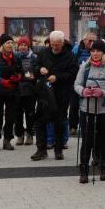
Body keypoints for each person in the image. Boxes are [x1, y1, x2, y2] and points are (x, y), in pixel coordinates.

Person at [73, 39, 105, 183]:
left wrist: (103, 93)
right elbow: (76, 84)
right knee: (87, 140)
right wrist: (83, 91)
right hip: (87, 109)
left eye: (98, 51)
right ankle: (84, 171)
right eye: (93, 51)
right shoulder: (85, 67)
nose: (95, 53)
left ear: (103, 53)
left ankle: (104, 168)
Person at [32, 31, 78, 161]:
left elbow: (73, 73)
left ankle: (58, 150)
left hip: (62, 93)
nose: (54, 47)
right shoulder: (43, 52)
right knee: (40, 121)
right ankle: (41, 149)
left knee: (59, 122)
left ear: (63, 43)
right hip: (44, 93)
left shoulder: (70, 56)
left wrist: (57, 77)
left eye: (57, 45)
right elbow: (34, 66)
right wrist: (39, 69)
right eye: (52, 44)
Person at [0, 34, 21, 151]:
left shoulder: (17, 57)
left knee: (10, 117)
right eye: (7, 43)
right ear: (2, 45)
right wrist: (3, 81)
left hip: (13, 91)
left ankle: (7, 140)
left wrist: (18, 77)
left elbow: (21, 71)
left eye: (11, 43)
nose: (10, 45)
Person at [69, 31, 97, 134]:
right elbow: (71, 63)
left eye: (94, 41)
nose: (92, 43)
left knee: (88, 106)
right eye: (90, 40)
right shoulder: (76, 49)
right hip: (77, 80)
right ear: (84, 40)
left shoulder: (96, 51)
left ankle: (86, 125)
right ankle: (73, 126)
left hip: (91, 82)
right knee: (74, 105)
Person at [14, 37, 37, 146]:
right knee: (17, 114)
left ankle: (30, 134)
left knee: (30, 114)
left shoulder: (34, 57)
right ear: (18, 46)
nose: (23, 47)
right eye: (21, 45)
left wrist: (26, 76)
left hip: (30, 90)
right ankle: (20, 135)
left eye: (25, 45)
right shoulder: (14, 57)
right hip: (17, 90)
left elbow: (34, 74)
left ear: (28, 46)